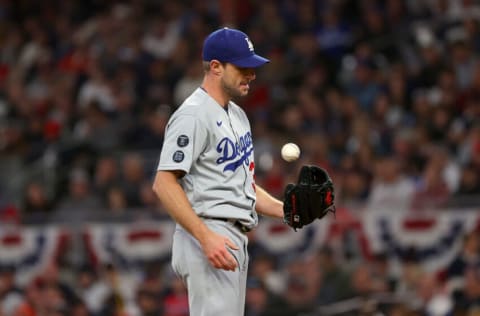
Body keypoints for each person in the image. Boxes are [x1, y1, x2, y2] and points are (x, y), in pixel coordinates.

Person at [152, 27, 284, 316]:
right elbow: (163, 183)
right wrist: (204, 236)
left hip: (232, 234)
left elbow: (242, 184)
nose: (251, 74)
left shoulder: (237, 114)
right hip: (209, 230)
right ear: (215, 67)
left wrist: (286, 210)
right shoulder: (193, 114)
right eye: (242, 67)